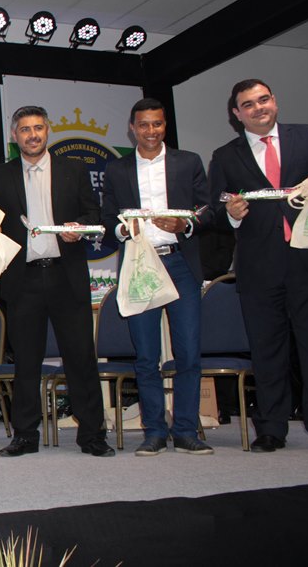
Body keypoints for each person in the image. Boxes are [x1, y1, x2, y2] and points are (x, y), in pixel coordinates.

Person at [208, 79, 308, 453]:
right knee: (266, 350)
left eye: (263, 100)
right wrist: (230, 213)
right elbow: (215, 209)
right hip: (259, 266)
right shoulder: (225, 156)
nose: (258, 108)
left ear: (275, 102)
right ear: (237, 114)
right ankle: (271, 428)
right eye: (248, 104)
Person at [0, 106, 113, 458]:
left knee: (80, 358)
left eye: (38, 128)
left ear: (48, 131)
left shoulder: (73, 169)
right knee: (26, 361)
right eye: (25, 129)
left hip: (65, 274)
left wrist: (80, 228)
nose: (33, 135)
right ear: (14, 136)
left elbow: (93, 214)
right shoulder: (0, 175)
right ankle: (25, 436)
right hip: (23, 278)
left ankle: (92, 435)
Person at [102, 99, 212, 456]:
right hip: (140, 264)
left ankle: (186, 430)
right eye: (144, 125)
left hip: (180, 263)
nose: (151, 131)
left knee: (188, 352)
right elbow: (107, 219)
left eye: (157, 124)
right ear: (132, 128)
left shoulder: (188, 162)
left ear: (165, 126)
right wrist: (122, 230)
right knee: (146, 355)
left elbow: (207, 210)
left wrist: (185, 224)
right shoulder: (117, 169)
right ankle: (154, 431)